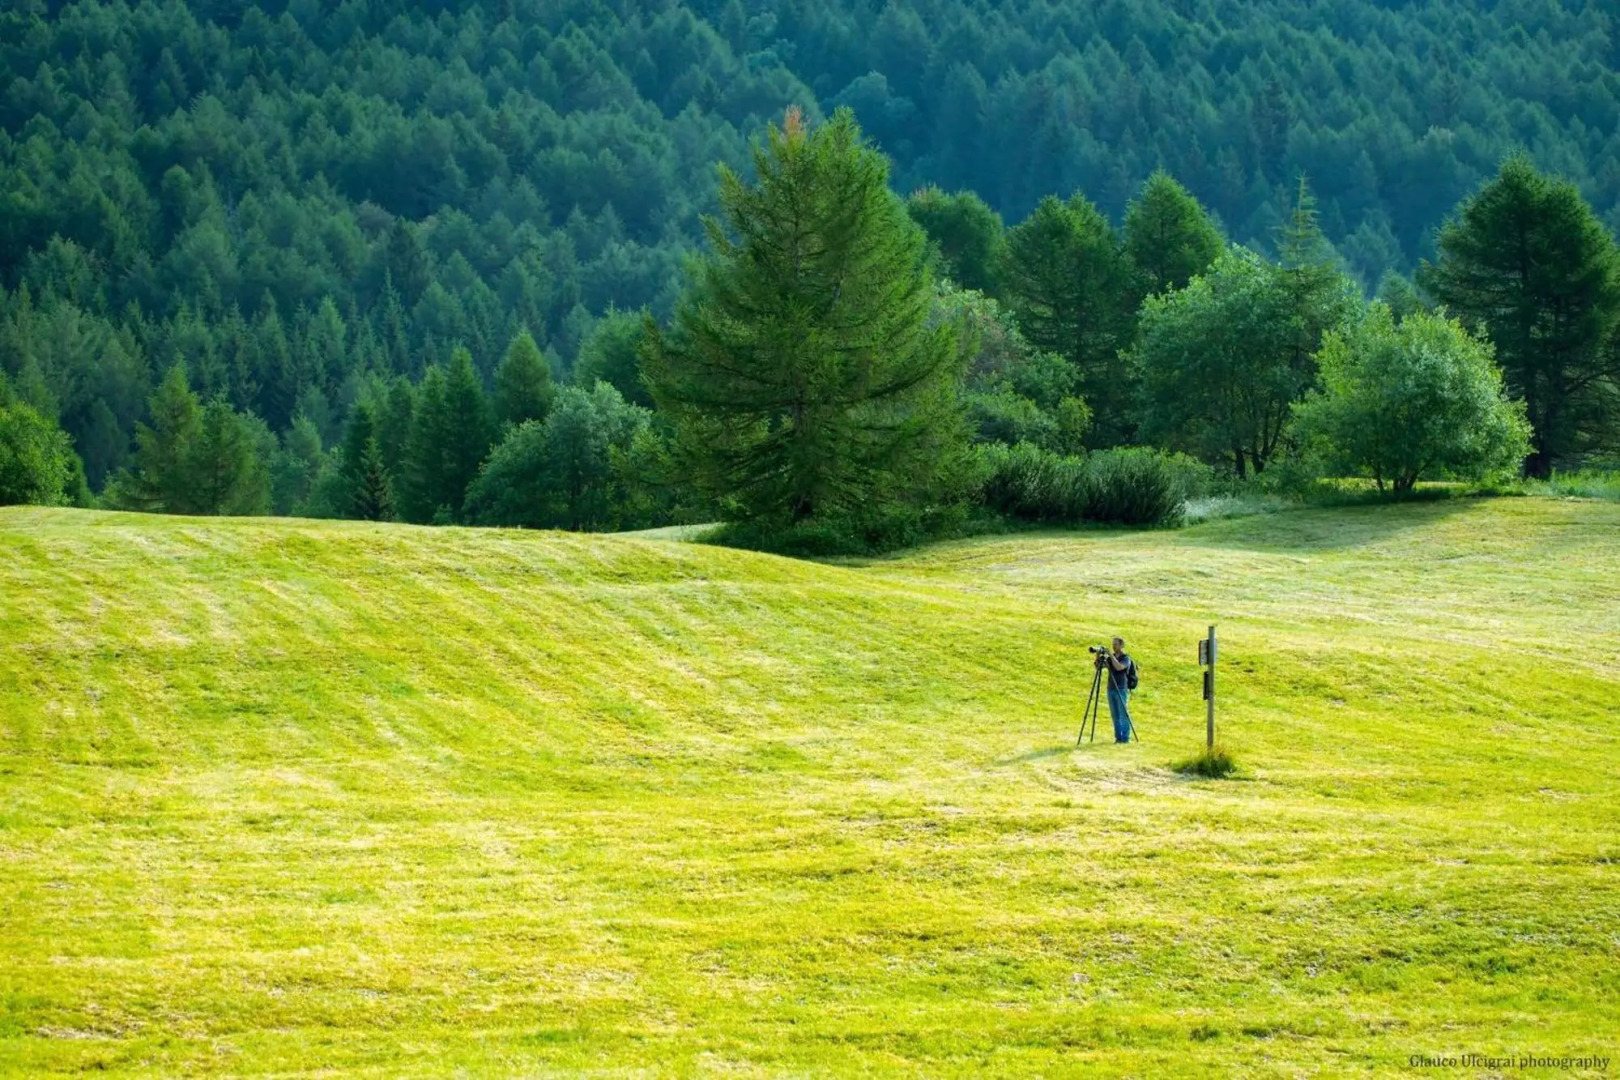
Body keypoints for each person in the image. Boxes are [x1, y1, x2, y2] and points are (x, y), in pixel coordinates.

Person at [1098, 636, 1134, 743]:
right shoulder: (1111, 657)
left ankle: (1126, 738)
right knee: (1115, 715)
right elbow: (1098, 667)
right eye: (1113, 644)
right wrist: (1098, 656)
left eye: (1116, 644)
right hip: (1111, 688)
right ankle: (1118, 738)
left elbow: (1119, 667)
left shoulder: (1126, 658)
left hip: (1121, 688)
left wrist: (1110, 655)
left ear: (1121, 645)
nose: (1114, 646)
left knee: (1123, 714)